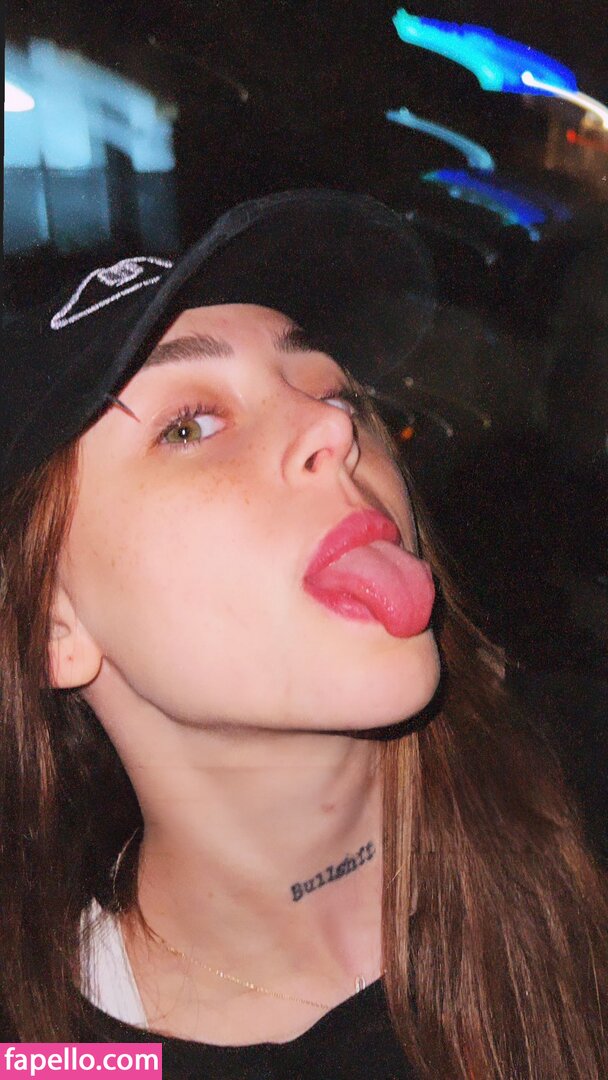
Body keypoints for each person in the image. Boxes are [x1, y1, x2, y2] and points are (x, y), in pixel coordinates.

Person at [1, 190, 606, 1079]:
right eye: (188, 425)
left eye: (332, 388)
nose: (333, 425)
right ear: (56, 625)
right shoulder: (41, 1049)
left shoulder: (586, 788)